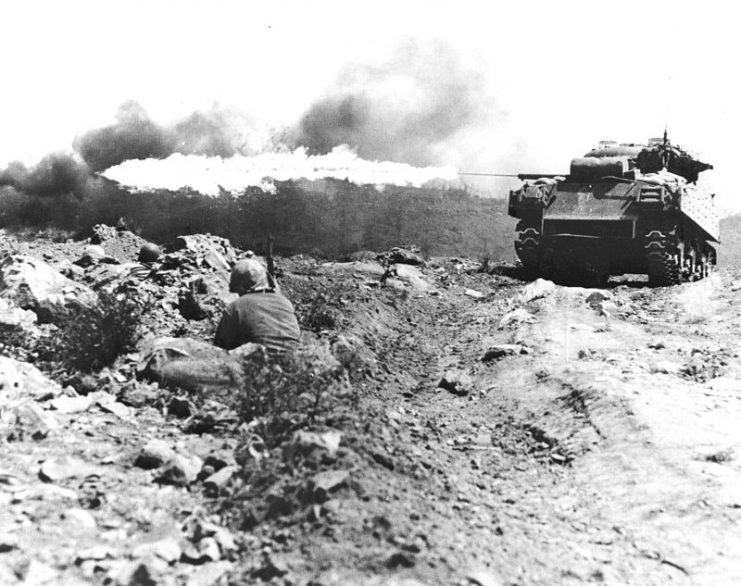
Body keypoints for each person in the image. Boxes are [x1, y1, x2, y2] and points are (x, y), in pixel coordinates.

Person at [214, 258, 300, 354]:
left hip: (258, 364)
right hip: (293, 362)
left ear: (240, 287)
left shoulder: (235, 307)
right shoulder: (285, 302)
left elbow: (220, 348)